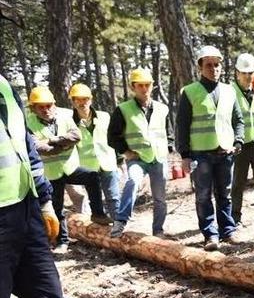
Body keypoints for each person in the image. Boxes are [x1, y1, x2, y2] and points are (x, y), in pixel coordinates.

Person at [0, 72, 124, 298]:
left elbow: (21, 143)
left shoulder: (4, 84)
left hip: (22, 205)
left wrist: (43, 200)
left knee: (46, 292)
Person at [25, 86, 110, 253]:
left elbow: (76, 136)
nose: (45, 110)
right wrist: (61, 145)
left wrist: (53, 140)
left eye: (48, 105)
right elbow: (38, 147)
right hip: (51, 173)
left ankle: (98, 213)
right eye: (40, 107)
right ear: (33, 108)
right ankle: (61, 241)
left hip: (70, 168)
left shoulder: (65, 115)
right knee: (57, 207)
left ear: (54, 105)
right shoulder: (29, 122)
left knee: (92, 176)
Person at [176, 45, 245, 251]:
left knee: (225, 194)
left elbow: (238, 120)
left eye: (216, 65)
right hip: (201, 154)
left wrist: (238, 141)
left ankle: (228, 231)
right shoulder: (190, 92)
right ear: (200, 67)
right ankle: (210, 235)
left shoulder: (229, 91)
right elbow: (182, 124)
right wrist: (185, 154)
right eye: (208, 65)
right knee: (203, 196)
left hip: (225, 152)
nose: (213, 69)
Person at [108, 68, 172, 238]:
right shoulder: (123, 109)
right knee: (132, 181)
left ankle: (158, 230)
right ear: (133, 87)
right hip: (137, 158)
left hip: (158, 158)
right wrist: (125, 151)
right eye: (140, 85)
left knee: (160, 198)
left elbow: (169, 132)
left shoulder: (162, 108)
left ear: (152, 86)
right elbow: (112, 137)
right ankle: (121, 220)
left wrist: (169, 149)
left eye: (147, 85)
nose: (144, 89)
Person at [69, 83, 120, 221]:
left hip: (108, 163)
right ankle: (101, 228)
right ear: (73, 101)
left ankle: (119, 229)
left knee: (114, 198)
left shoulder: (104, 117)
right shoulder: (70, 122)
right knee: (95, 200)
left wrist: (120, 159)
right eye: (77, 100)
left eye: (85, 99)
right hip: (88, 167)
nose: (82, 103)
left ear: (90, 100)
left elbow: (114, 137)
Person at [230, 52, 254, 228]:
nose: (247, 76)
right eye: (244, 72)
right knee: (238, 182)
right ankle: (235, 217)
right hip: (239, 144)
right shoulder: (229, 91)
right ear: (237, 72)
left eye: (250, 72)